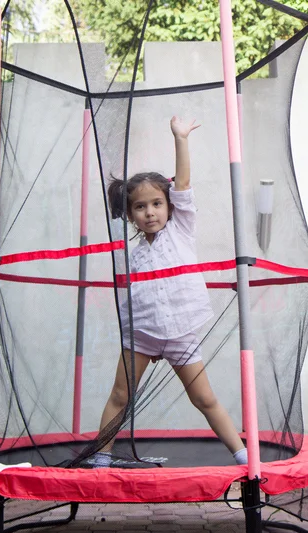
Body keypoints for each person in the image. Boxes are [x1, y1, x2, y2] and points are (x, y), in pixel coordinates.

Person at [94, 116, 247, 468]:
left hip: (180, 332)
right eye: (140, 207)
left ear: (169, 206)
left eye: (156, 204)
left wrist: (180, 138)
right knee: (120, 395)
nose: (150, 212)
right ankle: (100, 459)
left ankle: (242, 457)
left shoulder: (181, 229)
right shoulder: (135, 254)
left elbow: (183, 184)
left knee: (204, 398)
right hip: (143, 334)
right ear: (131, 215)